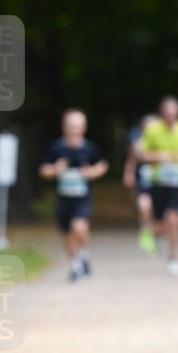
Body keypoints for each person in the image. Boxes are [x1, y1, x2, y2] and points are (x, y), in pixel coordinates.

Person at [40, 109, 109, 281]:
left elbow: (102, 164)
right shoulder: (56, 147)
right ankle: (75, 264)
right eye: (71, 126)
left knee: (79, 227)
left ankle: (84, 253)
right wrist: (55, 170)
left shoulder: (89, 147)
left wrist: (92, 172)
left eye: (77, 126)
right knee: (68, 233)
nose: (74, 130)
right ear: (64, 127)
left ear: (83, 128)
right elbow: (43, 170)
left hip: (82, 197)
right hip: (63, 197)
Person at [138, 96, 178, 276]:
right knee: (160, 223)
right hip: (157, 183)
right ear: (162, 113)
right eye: (167, 112)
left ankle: (173, 258)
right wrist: (158, 156)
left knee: (174, 218)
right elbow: (141, 154)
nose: (170, 115)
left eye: (174, 112)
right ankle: (155, 234)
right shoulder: (152, 130)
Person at [123, 114, 158, 256]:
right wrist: (129, 173)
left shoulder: (161, 141)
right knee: (144, 206)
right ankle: (145, 230)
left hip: (159, 182)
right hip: (142, 180)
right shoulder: (138, 143)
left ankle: (154, 233)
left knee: (157, 211)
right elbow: (131, 159)